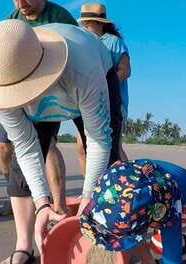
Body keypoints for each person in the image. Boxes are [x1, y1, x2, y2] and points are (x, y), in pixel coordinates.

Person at [0, 20, 120, 264]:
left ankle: (114, 235)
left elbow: (98, 139)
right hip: (42, 78)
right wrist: (42, 204)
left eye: (25, 90)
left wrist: (87, 197)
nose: (24, 98)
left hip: (89, 75)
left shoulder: (83, 70)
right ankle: (24, 246)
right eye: (15, 93)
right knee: (19, 168)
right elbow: (26, 147)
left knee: (109, 165)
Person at [0, 0, 79, 218]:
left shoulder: (59, 18)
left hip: (50, 91)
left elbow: (75, 61)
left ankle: (58, 204)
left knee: (47, 145)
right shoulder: (12, 21)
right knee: (3, 147)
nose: (22, 3)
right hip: (19, 91)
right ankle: (19, 195)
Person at [76, 2, 130, 174]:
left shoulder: (113, 42)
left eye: (88, 22)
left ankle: (127, 186)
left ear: (99, 23)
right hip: (87, 103)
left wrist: (102, 87)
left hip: (112, 103)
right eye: (83, 23)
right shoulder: (83, 43)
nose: (83, 26)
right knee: (82, 147)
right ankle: (91, 191)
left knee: (114, 150)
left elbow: (125, 71)